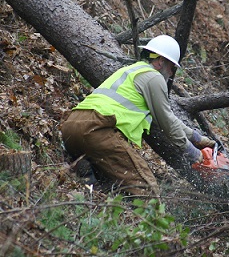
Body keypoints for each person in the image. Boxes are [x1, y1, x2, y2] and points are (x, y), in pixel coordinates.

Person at [61, 35, 215, 196]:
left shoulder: (131, 70)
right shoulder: (154, 78)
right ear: (161, 61)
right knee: (146, 189)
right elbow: (166, 122)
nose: (171, 73)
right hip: (97, 130)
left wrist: (196, 137)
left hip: (72, 126)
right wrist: (193, 152)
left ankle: (88, 174)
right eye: (172, 67)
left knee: (110, 183)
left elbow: (168, 117)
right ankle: (144, 218)